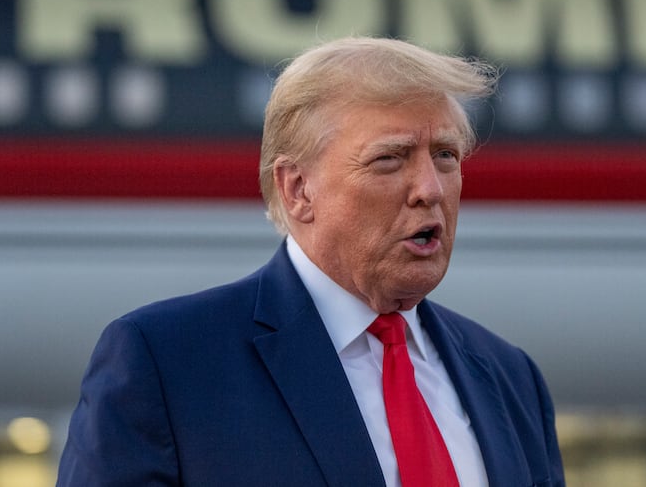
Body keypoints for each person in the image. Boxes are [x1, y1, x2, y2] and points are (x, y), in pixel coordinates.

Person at [56, 36, 565, 487]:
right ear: (297, 189)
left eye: (446, 157)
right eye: (390, 158)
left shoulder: (509, 377)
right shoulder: (167, 365)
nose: (429, 190)